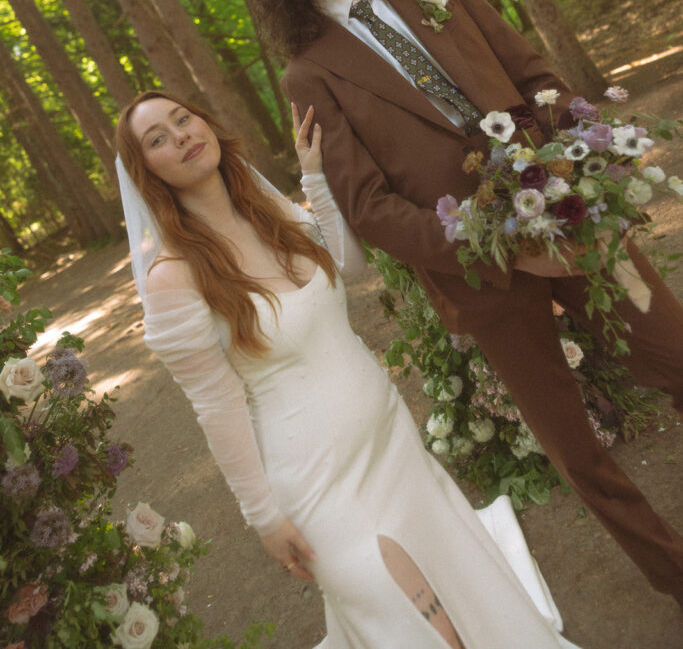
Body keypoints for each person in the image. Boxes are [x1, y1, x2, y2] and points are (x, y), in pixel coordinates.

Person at [237, 0, 683, 607]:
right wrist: (490, 241)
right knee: (577, 452)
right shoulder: (308, 74)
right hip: (481, 278)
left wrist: (580, 161)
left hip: (567, 211)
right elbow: (369, 207)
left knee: (674, 353)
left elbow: (528, 70)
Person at [116, 90, 581, 648]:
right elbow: (216, 406)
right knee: (407, 616)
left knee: (456, 583)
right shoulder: (175, 277)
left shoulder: (270, 215)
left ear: (207, 123)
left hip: (388, 435)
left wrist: (314, 177)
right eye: (158, 139)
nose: (182, 136)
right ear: (147, 171)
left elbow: (345, 264)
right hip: (313, 478)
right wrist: (263, 517)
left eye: (183, 119)